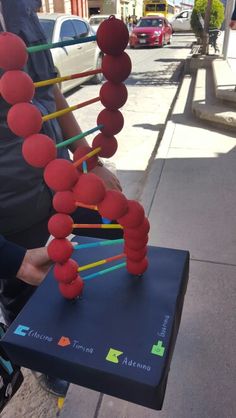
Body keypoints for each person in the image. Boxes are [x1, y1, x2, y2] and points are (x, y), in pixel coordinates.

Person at [0, 0, 122, 396]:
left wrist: (87, 159)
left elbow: (50, 90)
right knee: (22, 294)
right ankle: (41, 360)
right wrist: (9, 258)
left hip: (52, 187)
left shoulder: (19, 8)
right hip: (7, 212)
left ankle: (63, 343)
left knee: (61, 273)